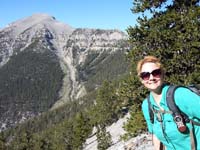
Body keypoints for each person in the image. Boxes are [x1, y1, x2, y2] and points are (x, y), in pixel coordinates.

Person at [137, 55, 200, 150]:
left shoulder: (180, 95)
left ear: (162, 74)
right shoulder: (147, 106)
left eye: (156, 73)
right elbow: (156, 136)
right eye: (145, 75)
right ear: (141, 80)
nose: (151, 78)